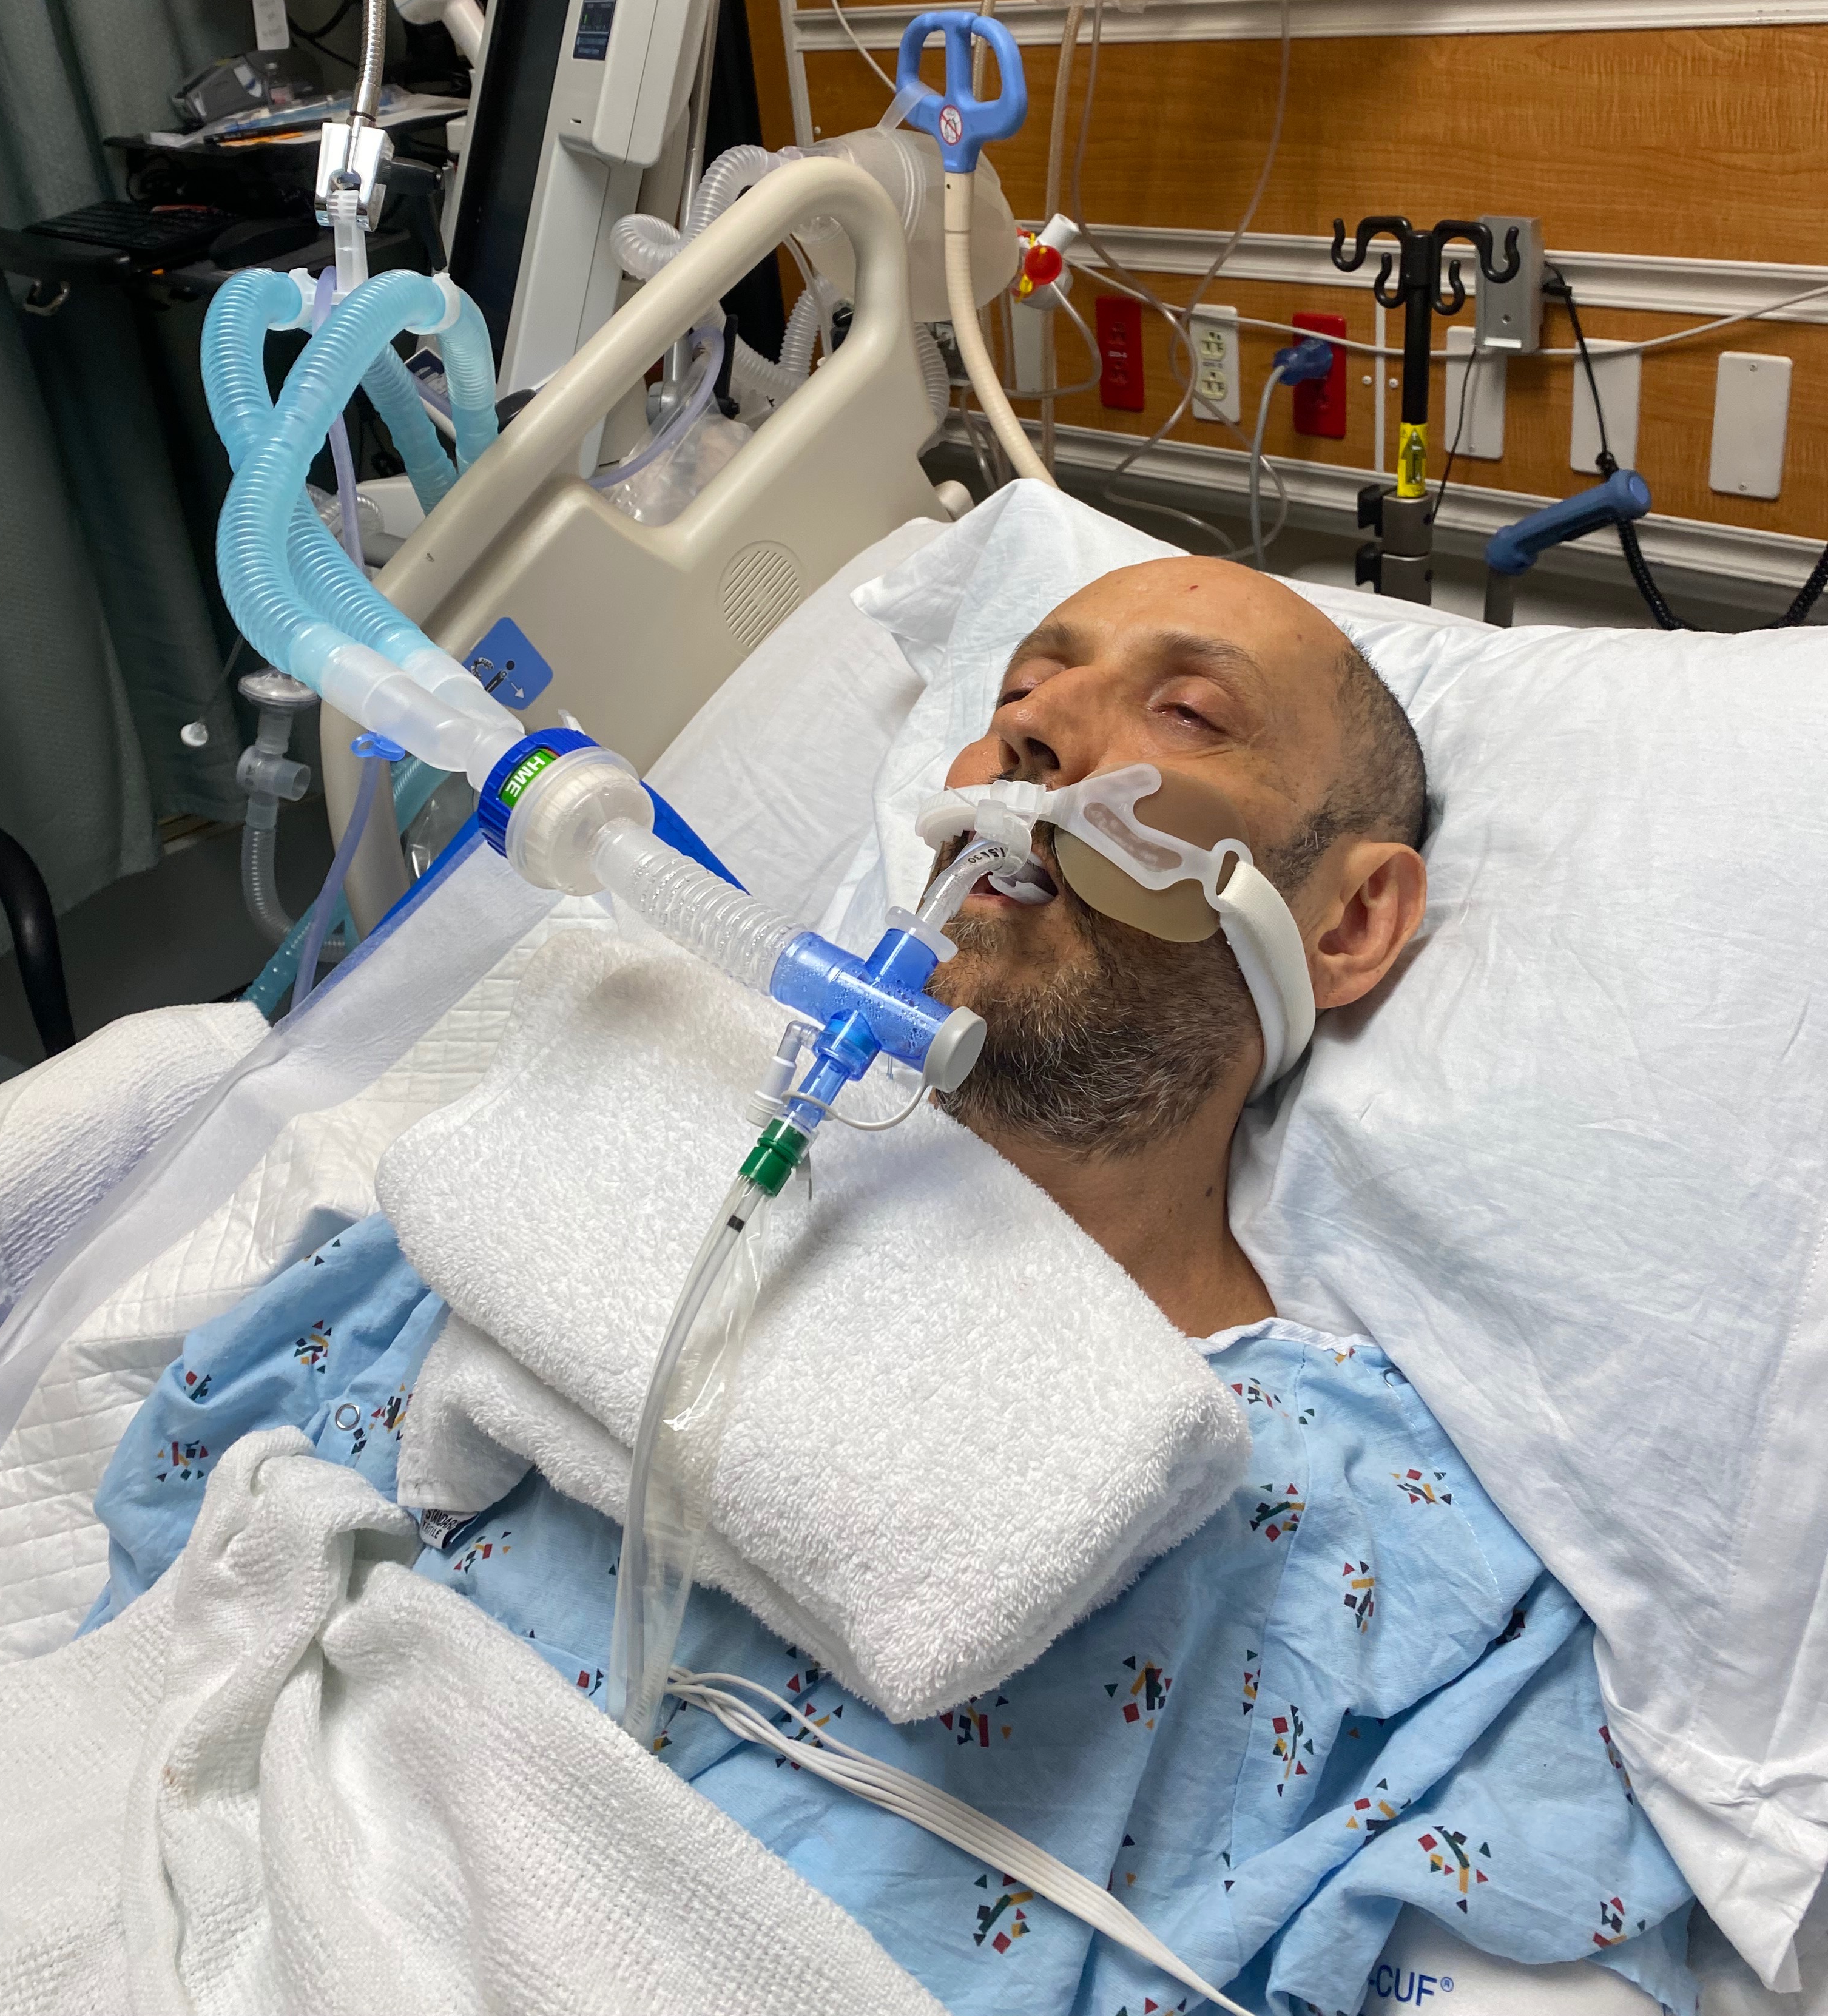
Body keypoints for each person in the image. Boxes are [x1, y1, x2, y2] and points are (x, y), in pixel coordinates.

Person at [81, 559, 1696, 2016]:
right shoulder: (604, 1166)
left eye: (1187, 710)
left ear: (1346, 922)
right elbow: (195, 1568)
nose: (1035, 730)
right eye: (1019, 692)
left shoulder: (1374, 1533)